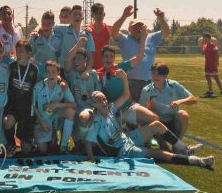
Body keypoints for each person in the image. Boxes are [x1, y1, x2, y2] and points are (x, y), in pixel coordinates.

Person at [84, 70, 214, 169]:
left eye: (104, 98)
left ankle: (183, 148)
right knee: (158, 153)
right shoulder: (96, 120)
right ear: (94, 104)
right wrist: (90, 158)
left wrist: (124, 78)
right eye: (99, 101)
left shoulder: (112, 108)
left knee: (156, 124)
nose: (104, 102)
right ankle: (198, 161)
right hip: (123, 150)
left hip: (128, 137)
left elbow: (126, 95)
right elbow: (88, 141)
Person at [97, 33, 158, 128]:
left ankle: (141, 136)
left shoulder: (120, 68)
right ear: (101, 58)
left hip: (127, 108)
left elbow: (139, 58)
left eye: (111, 56)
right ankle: (127, 129)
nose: (108, 59)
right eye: (106, 56)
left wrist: (143, 39)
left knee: (153, 118)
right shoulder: (98, 74)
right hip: (111, 112)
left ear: (114, 58)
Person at [111, 5, 170, 102]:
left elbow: (166, 33)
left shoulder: (150, 37)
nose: (139, 29)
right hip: (130, 81)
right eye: (135, 27)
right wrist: (124, 16)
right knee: (132, 109)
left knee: (149, 107)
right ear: (129, 29)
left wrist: (161, 18)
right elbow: (114, 31)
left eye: (141, 26)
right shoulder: (125, 39)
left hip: (150, 81)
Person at [140, 63, 200, 143]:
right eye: (153, 73)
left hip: (173, 120)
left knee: (183, 114)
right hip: (158, 121)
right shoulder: (146, 91)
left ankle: (179, 143)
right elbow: (141, 113)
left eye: (159, 74)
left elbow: (193, 99)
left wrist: (180, 101)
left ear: (165, 76)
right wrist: (149, 108)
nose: (155, 76)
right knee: (160, 147)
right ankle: (159, 143)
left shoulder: (174, 85)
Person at [64, 37, 101, 150]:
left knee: (84, 117)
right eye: (75, 59)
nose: (76, 61)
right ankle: (79, 144)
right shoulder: (72, 74)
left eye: (79, 58)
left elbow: (99, 94)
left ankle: (89, 142)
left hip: (90, 111)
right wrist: (78, 44)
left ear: (86, 60)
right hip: (75, 110)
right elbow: (67, 60)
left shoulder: (93, 75)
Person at [3, 40, 39, 156]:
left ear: (29, 54)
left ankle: (28, 142)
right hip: (12, 106)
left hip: (27, 108)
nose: (18, 53)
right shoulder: (11, 66)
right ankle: (11, 144)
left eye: (21, 51)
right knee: (7, 122)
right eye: (17, 51)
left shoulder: (34, 69)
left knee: (26, 150)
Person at [32, 61, 76, 154]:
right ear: (45, 73)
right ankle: (51, 139)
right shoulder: (38, 87)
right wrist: (42, 123)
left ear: (58, 72)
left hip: (56, 116)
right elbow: (33, 107)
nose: (50, 74)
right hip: (42, 120)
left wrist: (57, 105)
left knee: (70, 112)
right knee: (43, 149)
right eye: (48, 71)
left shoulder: (62, 86)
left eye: (53, 71)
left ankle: (63, 146)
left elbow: (73, 104)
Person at [54, 5, 95, 74]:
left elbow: (90, 57)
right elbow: (46, 26)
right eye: (75, 14)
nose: (77, 16)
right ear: (70, 16)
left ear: (82, 17)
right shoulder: (62, 28)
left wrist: (87, 71)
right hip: (62, 71)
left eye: (79, 14)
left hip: (79, 73)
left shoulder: (87, 34)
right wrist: (36, 31)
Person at [28, 11, 61, 80]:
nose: (45, 27)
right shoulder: (34, 37)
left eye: (48, 24)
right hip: (37, 74)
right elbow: (28, 55)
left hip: (52, 74)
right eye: (43, 24)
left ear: (53, 24)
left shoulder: (58, 37)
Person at [89, 3, 111, 70]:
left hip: (105, 67)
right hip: (90, 68)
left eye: (100, 13)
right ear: (92, 15)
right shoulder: (88, 30)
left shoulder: (109, 29)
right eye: (96, 13)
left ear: (104, 14)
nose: (99, 16)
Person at [201, 32, 222, 97]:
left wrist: (217, 62)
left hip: (213, 64)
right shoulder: (205, 46)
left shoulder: (213, 45)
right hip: (207, 64)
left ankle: (221, 90)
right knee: (208, 78)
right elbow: (202, 53)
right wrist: (202, 45)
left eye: (204, 38)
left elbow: (217, 53)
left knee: (216, 78)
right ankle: (210, 91)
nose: (203, 39)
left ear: (208, 38)